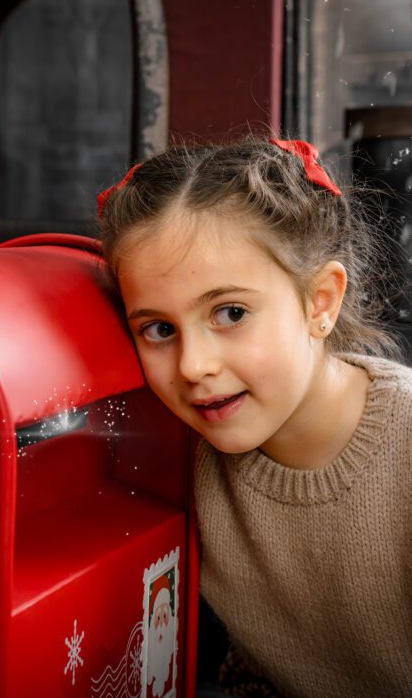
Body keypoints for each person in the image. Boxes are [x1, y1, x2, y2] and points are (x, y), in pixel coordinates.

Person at [96, 137, 412, 697]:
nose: (193, 367)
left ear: (320, 302)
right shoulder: (178, 453)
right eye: (159, 329)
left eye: (231, 312)